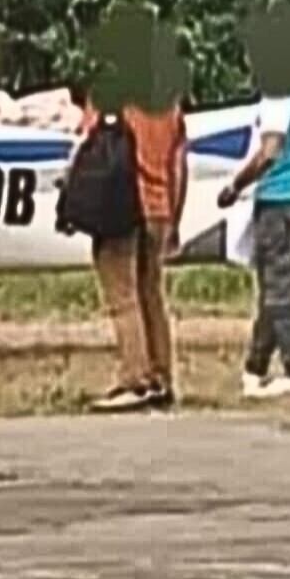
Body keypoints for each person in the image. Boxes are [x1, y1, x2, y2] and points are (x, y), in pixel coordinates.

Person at [75, 82, 188, 413]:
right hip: (158, 208)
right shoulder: (170, 101)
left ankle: (134, 379)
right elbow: (178, 163)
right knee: (151, 293)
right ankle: (162, 377)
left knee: (122, 297)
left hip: (119, 204)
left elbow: (88, 144)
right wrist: (174, 217)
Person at [218, 70, 290, 400]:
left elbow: (271, 149)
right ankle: (255, 367)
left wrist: (235, 184)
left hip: (281, 197)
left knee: (280, 287)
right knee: (276, 286)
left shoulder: (281, 91)